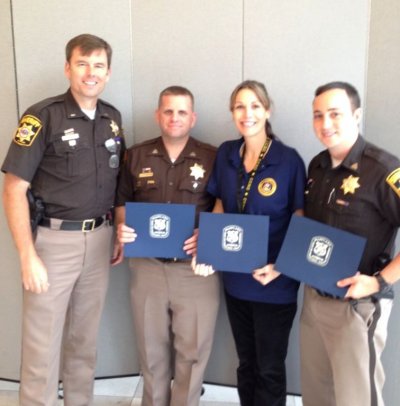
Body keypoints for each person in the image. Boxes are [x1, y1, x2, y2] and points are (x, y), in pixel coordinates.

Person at [1, 34, 124, 406]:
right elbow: (13, 189)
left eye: (98, 65)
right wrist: (27, 255)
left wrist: (117, 229)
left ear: (108, 71)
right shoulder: (42, 116)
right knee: (42, 346)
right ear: (68, 67)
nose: (91, 73)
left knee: (83, 342)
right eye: (82, 64)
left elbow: (117, 183)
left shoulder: (112, 119)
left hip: (100, 239)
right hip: (53, 245)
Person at [195, 80, 306, 405]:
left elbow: (299, 217)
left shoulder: (288, 160)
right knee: (246, 363)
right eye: (240, 107)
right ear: (232, 113)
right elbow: (220, 206)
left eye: (255, 106)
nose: (248, 114)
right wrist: (209, 249)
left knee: (269, 367)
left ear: (267, 110)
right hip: (235, 279)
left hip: (274, 281)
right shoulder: (228, 153)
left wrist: (282, 267)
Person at [114, 85, 220, 406]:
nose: (175, 118)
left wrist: (211, 236)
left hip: (195, 270)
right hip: (147, 266)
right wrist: (121, 226)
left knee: (193, 354)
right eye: (168, 111)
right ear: (157, 115)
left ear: (193, 117)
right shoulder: (135, 155)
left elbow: (224, 203)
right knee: (151, 353)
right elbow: (122, 201)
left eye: (182, 112)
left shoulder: (214, 157)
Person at [300, 81, 400, 406]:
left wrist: (378, 281)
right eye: (318, 115)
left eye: (335, 114)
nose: (325, 124)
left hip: (357, 308)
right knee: (317, 395)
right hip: (315, 300)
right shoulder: (316, 166)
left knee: (357, 398)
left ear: (356, 115)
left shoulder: (384, 170)